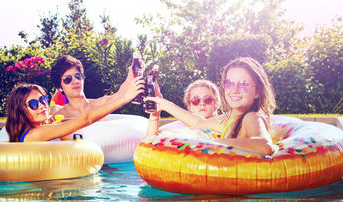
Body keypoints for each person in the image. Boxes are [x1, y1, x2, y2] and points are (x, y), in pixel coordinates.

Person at [145, 57, 277, 156]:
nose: (234, 90)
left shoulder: (251, 117)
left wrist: (216, 143)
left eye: (243, 84)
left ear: (258, 91)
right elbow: (199, 122)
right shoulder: (231, 117)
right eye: (229, 83)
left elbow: (264, 146)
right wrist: (162, 104)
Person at [5, 67, 144, 142]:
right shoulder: (36, 134)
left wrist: (57, 128)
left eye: (43, 100)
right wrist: (125, 99)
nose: (42, 106)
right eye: (34, 104)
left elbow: (69, 146)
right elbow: (86, 119)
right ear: (20, 110)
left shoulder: (36, 132)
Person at [50, 55, 123, 119]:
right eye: (68, 79)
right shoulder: (56, 112)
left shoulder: (101, 104)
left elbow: (123, 94)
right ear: (60, 87)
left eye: (78, 76)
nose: (75, 81)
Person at [146, 79, 220, 136]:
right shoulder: (176, 127)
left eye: (208, 99)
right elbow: (149, 142)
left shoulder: (224, 125)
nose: (202, 103)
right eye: (196, 100)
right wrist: (155, 113)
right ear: (189, 106)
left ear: (216, 103)